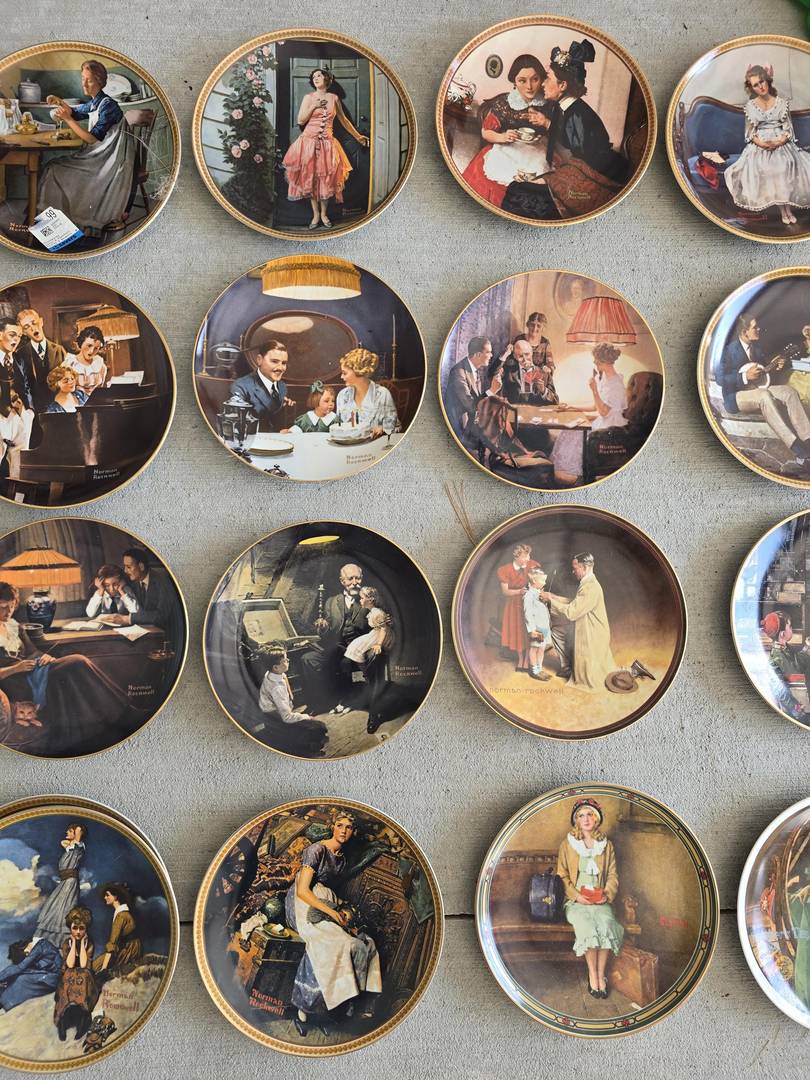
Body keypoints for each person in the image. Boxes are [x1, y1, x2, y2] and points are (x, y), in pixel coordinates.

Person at [0, 580, 137, 756]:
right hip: (16, 682)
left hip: (32, 671)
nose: (8, 611)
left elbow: (33, 652)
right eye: (3, 607)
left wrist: (44, 656)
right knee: (77, 662)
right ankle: (124, 711)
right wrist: (15, 668)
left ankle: (118, 713)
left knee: (78, 663)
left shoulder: (14, 626)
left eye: (11, 606)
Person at [503, 39, 628, 220]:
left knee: (519, 192)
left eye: (547, 78)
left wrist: (547, 124)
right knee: (523, 186)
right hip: (582, 166)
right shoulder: (564, 106)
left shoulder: (577, 113)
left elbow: (580, 151)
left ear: (562, 86)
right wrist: (546, 122)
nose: (543, 83)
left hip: (598, 173)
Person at [284, 811, 382, 1035]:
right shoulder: (317, 850)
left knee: (358, 945)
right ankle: (303, 1014)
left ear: (353, 831)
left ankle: (327, 1011)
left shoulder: (343, 858)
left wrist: (341, 912)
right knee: (329, 944)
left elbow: (329, 893)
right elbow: (302, 890)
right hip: (303, 904)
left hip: (324, 901)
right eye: (340, 825)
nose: (343, 831)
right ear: (332, 827)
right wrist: (330, 912)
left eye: (348, 827)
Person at [21, 60, 135, 241]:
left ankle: (56, 227)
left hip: (107, 163)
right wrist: (59, 102)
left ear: (99, 82)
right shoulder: (97, 102)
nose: (84, 84)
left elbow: (91, 139)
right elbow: (76, 112)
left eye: (89, 80)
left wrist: (68, 120)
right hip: (99, 156)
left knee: (53, 169)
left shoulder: (109, 106)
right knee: (52, 167)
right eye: (83, 79)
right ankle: (50, 226)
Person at [717, 313, 810, 478]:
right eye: (755, 327)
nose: (759, 329)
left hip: (757, 389)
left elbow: (764, 372)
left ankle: (808, 439)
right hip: (737, 395)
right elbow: (720, 378)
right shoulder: (729, 350)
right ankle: (799, 450)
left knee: (789, 392)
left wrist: (776, 366)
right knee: (764, 395)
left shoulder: (757, 348)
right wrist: (744, 376)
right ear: (745, 332)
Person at [282, 67, 370, 230]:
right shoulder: (308, 98)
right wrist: (313, 106)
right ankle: (315, 214)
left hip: (327, 144)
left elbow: (344, 121)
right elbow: (300, 120)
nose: (315, 78)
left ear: (327, 79)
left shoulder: (334, 98)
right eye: (313, 77)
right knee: (310, 178)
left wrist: (359, 137)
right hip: (308, 142)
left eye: (319, 75)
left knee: (326, 180)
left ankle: (324, 214)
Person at [725, 63, 810, 227]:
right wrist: (763, 144)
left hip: (781, 142)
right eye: (755, 85)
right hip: (760, 145)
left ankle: (787, 209)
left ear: (768, 80)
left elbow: (788, 129)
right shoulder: (750, 106)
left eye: (762, 82)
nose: (760, 87)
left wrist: (779, 141)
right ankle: (784, 211)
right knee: (769, 167)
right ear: (751, 87)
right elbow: (750, 133)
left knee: (786, 164)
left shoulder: (782, 103)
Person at [462, 54, 550, 208]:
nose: (529, 86)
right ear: (514, 82)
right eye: (522, 80)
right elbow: (486, 132)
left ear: (541, 79)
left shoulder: (548, 103)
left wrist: (546, 122)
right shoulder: (504, 104)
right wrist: (503, 137)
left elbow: (558, 132)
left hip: (537, 152)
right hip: (507, 150)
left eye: (535, 79)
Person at [556, 799, 624, 999]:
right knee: (587, 927)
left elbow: (613, 875)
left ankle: (601, 974)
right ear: (576, 820)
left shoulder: (606, 846)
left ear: (597, 819)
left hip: (600, 899)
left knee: (606, 924)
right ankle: (592, 974)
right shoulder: (567, 845)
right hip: (576, 901)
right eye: (581, 815)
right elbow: (562, 875)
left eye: (590, 814)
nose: (586, 819)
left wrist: (606, 895)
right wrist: (577, 896)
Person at [300, 563, 372, 714]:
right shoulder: (331, 602)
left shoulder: (369, 600)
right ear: (342, 581)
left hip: (359, 649)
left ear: (362, 578)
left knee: (346, 663)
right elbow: (327, 632)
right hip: (336, 648)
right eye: (350, 579)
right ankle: (319, 703)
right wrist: (323, 627)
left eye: (357, 578)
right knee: (307, 659)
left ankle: (348, 700)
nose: (354, 582)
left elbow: (378, 624)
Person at [551, 343, 627, 485]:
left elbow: (604, 412)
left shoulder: (615, 385)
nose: (594, 362)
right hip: (603, 420)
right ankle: (565, 471)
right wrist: (572, 407)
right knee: (569, 429)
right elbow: (595, 406)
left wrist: (594, 390)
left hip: (611, 426)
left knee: (575, 432)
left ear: (604, 361)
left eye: (596, 360)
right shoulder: (605, 379)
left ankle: (574, 474)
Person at [540, 553, 616, 691]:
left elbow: (572, 612)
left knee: (598, 675)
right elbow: (576, 603)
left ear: (584, 567)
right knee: (557, 631)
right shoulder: (588, 582)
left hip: (593, 634)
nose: (573, 571)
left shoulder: (590, 586)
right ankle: (567, 667)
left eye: (575, 568)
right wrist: (554, 597)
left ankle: (568, 666)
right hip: (588, 628)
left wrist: (550, 601)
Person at [26, 825, 88, 949]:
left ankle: (61, 943)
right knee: (54, 908)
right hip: (65, 882)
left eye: (70, 831)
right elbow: (63, 842)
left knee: (64, 909)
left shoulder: (78, 848)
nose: (67, 832)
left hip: (70, 883)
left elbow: (77, 837)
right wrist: (71, 838)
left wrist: (77, 832)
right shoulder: (70, 848)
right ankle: (44, 941)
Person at [54, 906, 99, 1041]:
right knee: (68, 976)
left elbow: (84, 965)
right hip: (69, 973)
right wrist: (73, 943)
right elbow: (70, 964)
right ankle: (62, 1021)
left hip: (85, 974)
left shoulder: (89, 943)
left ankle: (82, 1018)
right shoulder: (66, 943)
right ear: (70, 928)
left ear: (86, 929)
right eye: (75, 928)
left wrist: (83, 945)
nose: (78, 932)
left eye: (81, 928)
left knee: (83, 977)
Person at [229, 340, 295, 427]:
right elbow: (237, 424)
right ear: (259, 360)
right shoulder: (241, 386)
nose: (280, 368)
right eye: (274, 361)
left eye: (284, 363)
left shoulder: (282, 387)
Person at [335, 348, 399, 438]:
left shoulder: (382, 394)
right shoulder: (342, 395)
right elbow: (338, 427)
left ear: (358, 372)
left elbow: (395, 426)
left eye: (344, 373)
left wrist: (382, 429)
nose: (341, 377)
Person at [497, 543, 540, 672]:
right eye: (525, 556)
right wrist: (519, 592)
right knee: (517, 634)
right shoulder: (504, 570)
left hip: (529, 604)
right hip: (514, 606)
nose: (528, 558)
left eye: (529, 555)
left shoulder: (532, 565)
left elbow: (538, 583)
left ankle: (527, 660)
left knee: (528, 632)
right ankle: (520, 659)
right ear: (516, 556)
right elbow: (505, 592)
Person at [15, 308, 66, 411]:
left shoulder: (59, 350)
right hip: (35, 411)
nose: (33, 328)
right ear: (23, 332)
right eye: (26, 327)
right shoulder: (19, 355)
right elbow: (21, 388)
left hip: (59, 408)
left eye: (34, 323)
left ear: (41, 322)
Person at [445, 337, 493, 439]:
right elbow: (471, 405)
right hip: (458, 428)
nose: (491, 355)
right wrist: (491, 391)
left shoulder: (475, 370)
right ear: (478, 355)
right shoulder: (458, 372)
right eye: (488, 352)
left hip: (471, 423)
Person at [92, 883, 142, 978]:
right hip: (129, 947)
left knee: (95, 967)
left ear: (115, 897)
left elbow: (112, 944)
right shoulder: (122, 913)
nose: (105, 897)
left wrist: (103, 968)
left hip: (128, 950)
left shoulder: (121, 916)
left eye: (107, 895)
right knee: (96, 964)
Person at [0, 938, 62, 1012]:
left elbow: (20, 966)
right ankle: (3, 1001)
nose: (27, 955)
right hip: (45, 973)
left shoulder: (40, 946)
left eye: (26, 953)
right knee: (14, 977)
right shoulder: (36, 946)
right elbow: (19, 966)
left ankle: (4, 1002)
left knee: (20, 979)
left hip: (52, 979)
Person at [523, 314, 559, 404]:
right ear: (528, 325)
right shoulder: (520, 339)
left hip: (539, 376)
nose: (535, 328)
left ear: (543, 328)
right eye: (532, 325)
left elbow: (550, 364)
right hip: (522, 375)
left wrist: (548, 368)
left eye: (538, 326)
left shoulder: (545, 343)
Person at [523, 567, 551, 681]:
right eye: (542, 580)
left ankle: (540, 669)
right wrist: (532, 630)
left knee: (541, 649)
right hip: (537, 628)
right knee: (534, 648)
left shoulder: (539, 593)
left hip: (544, 627)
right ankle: (534, 671)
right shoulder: (529, 595)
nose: (545, 583)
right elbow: (528, 613)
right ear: (534, 581)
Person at [63, 326, 108, 395]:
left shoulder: (100, 365)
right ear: (81, 343)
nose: (91, 351)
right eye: (89, 345)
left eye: (96, 348)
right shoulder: (69, 363)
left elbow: (101, 389)